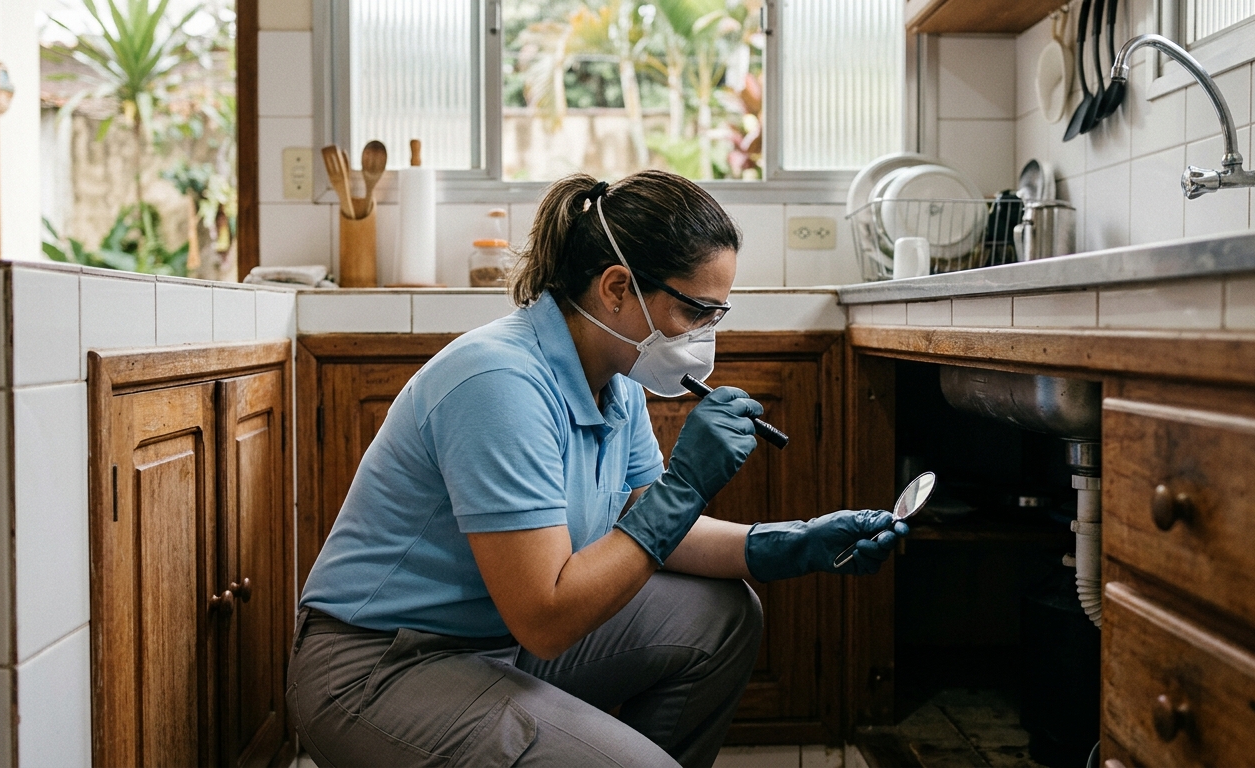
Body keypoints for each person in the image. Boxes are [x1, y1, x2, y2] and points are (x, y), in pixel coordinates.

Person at [287, 170, 909, 768]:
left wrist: (792, 544)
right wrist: (686, 485)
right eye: (696, 311)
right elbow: (547, 620)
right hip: (382, 668)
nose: (704, 335)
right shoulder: (499, 382)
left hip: (496, 643)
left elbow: (645, 527)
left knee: (724, 616)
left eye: (717, 315)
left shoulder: (617, 377)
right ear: (616, 289)